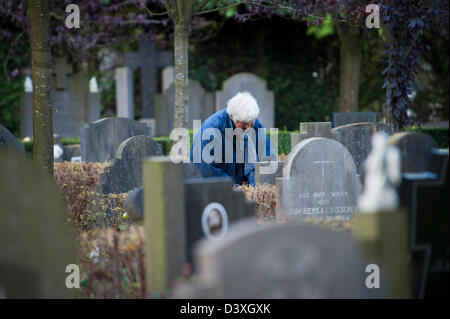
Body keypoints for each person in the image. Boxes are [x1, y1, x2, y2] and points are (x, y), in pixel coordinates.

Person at [190, 91, 276, 186]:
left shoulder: (253, 123)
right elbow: (211, 172)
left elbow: (268, 158)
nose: (248, 127)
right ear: (232, 117)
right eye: (243, 124)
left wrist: (257, 188)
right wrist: (237, 191)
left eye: (251, 122)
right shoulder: (211, 130)